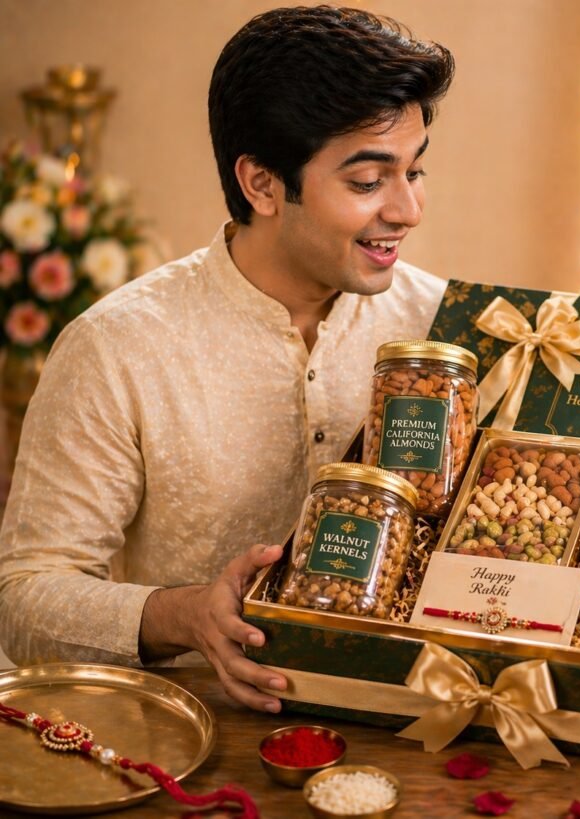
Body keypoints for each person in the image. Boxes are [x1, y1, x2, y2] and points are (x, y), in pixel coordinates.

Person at [0, 6, 454, 711]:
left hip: (420, 728)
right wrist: (185, 615)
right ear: (263, 184)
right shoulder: (117, 347)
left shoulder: (445, 330)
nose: (407, 209)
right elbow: (25, 599)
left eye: (415, 171)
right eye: (368, 183)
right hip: (190, 737)